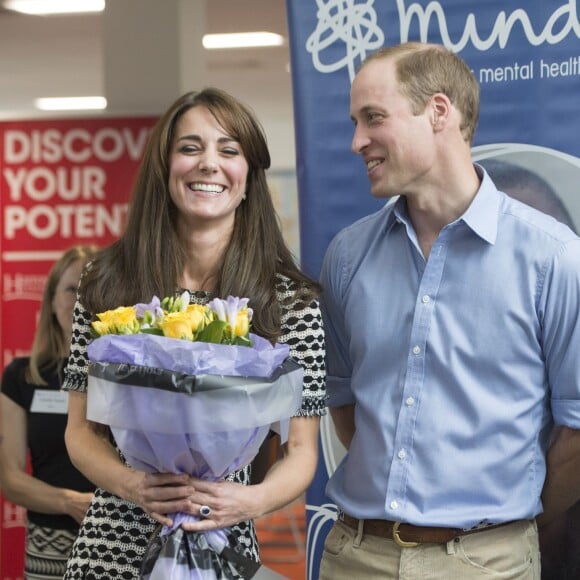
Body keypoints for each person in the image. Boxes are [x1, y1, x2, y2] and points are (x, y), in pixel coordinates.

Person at [318, 42, 580, 579]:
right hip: (354, 556)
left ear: (439, 112)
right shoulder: (347, 254)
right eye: (354, 122)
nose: (356, 142)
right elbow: (346, 406)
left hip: (488, 563)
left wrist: (501, 531)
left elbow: (576, 434)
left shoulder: (553, 257)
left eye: (373, 119)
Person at [61, 87, 326, 578]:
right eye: (190, 148)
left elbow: (302, 450)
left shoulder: (288, 300)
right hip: (112, 546)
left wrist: (248, 502)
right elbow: (80, 430)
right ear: (165, 168)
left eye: (229, 150)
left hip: (223, 541)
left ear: (248, 176)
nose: (209, 164)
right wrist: (131, 484)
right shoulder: (107, 281)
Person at [0, 245, 98, 579]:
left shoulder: (130, 376)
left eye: (92, 288)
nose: (81, 299)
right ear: (52, 300)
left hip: (119, 547)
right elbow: (9, 479)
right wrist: (70, 502)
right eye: (72, 289)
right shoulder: (21, 377)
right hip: (48, 552)